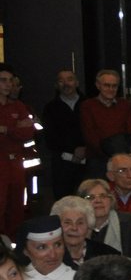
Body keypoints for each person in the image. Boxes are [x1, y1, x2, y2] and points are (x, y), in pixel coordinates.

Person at [79, 69, 131, 173]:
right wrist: (110, 156)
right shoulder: (87, 106)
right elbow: (90, 136)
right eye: (107, 85)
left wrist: (121, 156)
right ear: (98, 85)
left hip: (123, 159)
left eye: (114, 86)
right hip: (98, 160)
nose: (111, 89)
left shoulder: (125, 105)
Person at [41, 68, 86, 197]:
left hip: (87, 161)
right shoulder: (50, 108)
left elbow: (95, 130)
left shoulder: (88, 104)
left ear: (77, 83)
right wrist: (73, 150)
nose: (66, 83)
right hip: (62, 164)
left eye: (70, 79)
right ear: (56, 85)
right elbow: (50, 137)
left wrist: (84, 148)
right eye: (61, 81)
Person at [49, 195, 118, 269]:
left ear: (88, 225)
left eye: (80, 223)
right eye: (67, 222)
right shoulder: (49, 256)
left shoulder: (108, 256)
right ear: (57, 226)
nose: (74, 228)